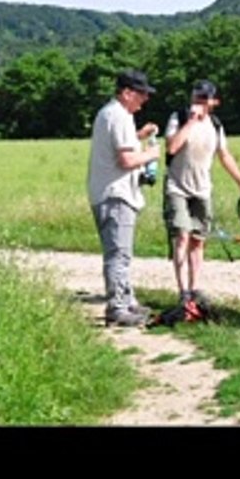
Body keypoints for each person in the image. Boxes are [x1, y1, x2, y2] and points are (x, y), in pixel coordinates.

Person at [164, 79, 240, 305]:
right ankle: (183, 291)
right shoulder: (179, 117)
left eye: (205, 99)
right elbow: (171, 147)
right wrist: (191, 122)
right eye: (197, 98)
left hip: (202, 189)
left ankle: (195, 289)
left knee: (198, 239)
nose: (200, 102)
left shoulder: (215, 125)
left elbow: (225, 156)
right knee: (182, 235)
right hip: (177, 187)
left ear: (214, 102)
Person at [87, 69, 163, 327]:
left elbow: (119, 146)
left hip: (109, 193)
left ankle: (127, 301)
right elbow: (126, 159)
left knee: (121, 252)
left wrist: (139, 136)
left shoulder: (112, 114)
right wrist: (151, 154)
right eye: (141, 94)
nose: (145, 100)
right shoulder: (118, 116)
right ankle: (117, 307)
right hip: (116, 195)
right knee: (119, 254)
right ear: (127, 93)